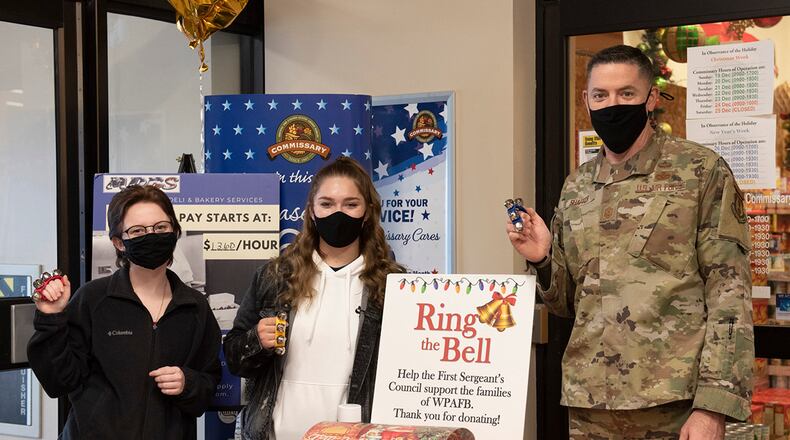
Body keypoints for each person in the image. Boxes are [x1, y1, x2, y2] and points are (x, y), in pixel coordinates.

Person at [507, 45, 753, 439]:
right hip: (591, 405)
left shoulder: (700, 172)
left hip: (674, 406)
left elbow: (730, 294)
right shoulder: (577, 187)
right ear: (586, 100)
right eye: (601, 95)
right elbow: (569, 301)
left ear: (650, 98)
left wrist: (713, 406)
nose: (613, 105)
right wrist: (542, 260)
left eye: (627, 94)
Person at [224, 157, 404, 440]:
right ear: (312, 211)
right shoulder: (274, 276)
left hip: (355, 435)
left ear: (367, 212)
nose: (338, 213)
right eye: (327, 204)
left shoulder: (391, 284)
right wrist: (256, 340)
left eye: (350, 204)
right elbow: (235, 358)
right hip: (275, 434)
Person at [28, 185, 222, 439]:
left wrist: (188, 384)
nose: (151, 235)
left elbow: (209, 382)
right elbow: (60, 381)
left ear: (175, 232)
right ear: (119, 242)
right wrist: (51, 317)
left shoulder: (195, 307)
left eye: (160, 227)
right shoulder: (93, 299)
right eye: (138, 231)